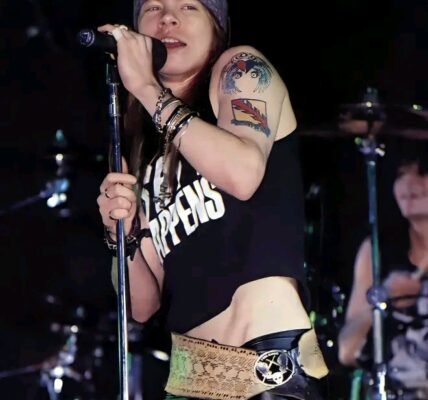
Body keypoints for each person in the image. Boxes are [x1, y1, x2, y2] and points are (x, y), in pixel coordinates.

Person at [96, 1, 328, 399]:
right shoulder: (144, 146)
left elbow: (242, 173)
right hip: (189, 380)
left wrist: (147, 89)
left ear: (216, 25)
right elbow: (142, 305)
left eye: (189, 6)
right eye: (153, 8)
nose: (168, 19)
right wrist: (122, 232)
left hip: (264, 367)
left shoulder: (240, 70)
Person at [338, 138, 428, 399]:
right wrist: (385, 300)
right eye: (401, 175)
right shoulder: (377, 251)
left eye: (421, 173)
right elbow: (347, 351)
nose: (409, 184)